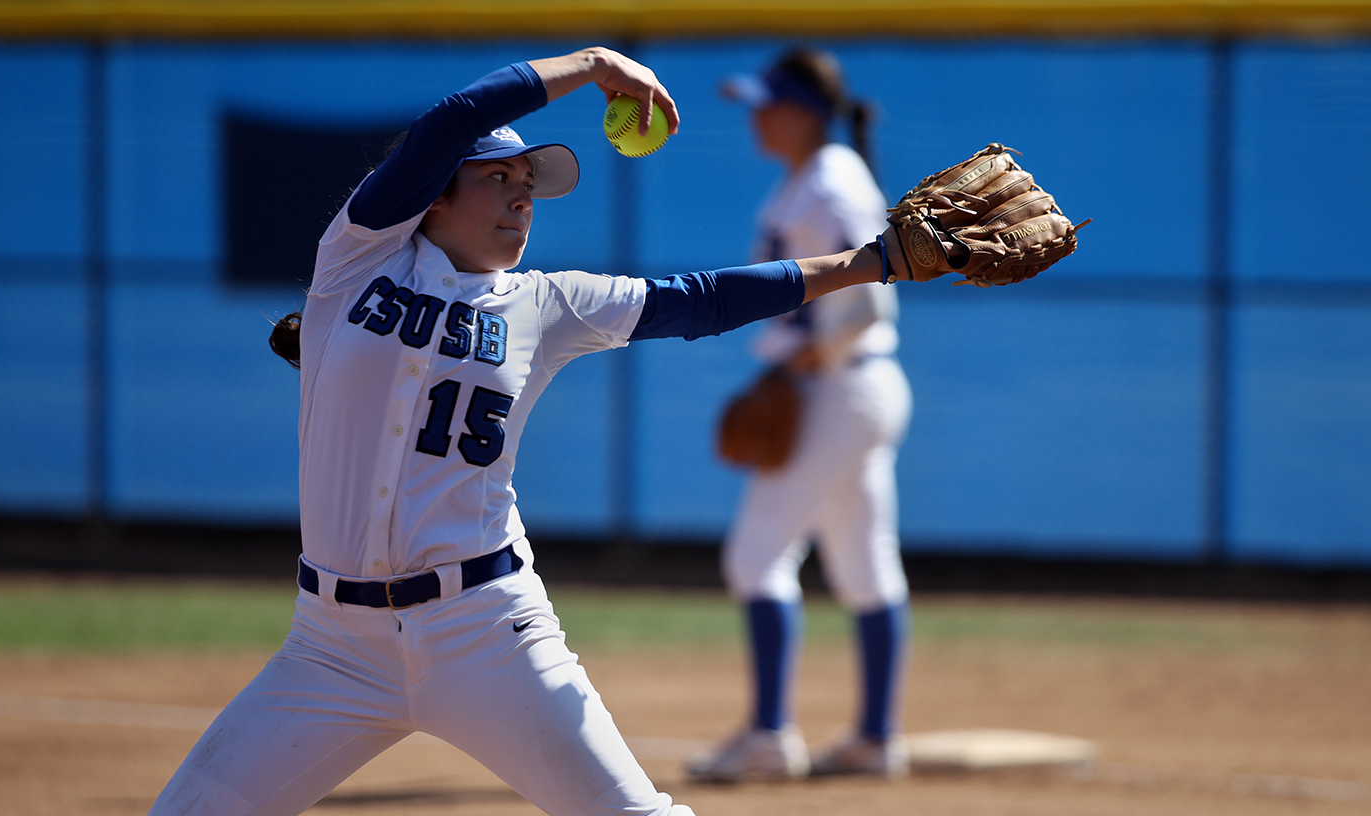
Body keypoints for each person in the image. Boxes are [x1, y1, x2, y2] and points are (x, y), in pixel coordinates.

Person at [149, 46, 922, 816]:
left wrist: (871, 262)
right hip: (331, 648)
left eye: (530, 187)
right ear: (434, 195)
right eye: (499, 178)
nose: (523, 197)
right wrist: (590, 65)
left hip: (484, 633)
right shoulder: (357, 258)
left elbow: (701, 299)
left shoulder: (547, 305)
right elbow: (451, 121)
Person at [685, 47, 913, 783]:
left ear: (802, 112)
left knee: (755, 557)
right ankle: (875, 740)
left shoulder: (830, 183)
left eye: (765, 102)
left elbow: (871, 293)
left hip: (837, 388)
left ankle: (767, 737)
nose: (754, 116)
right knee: (863, 567)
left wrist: (803, 359)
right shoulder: (814, 178)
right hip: (855, 387)